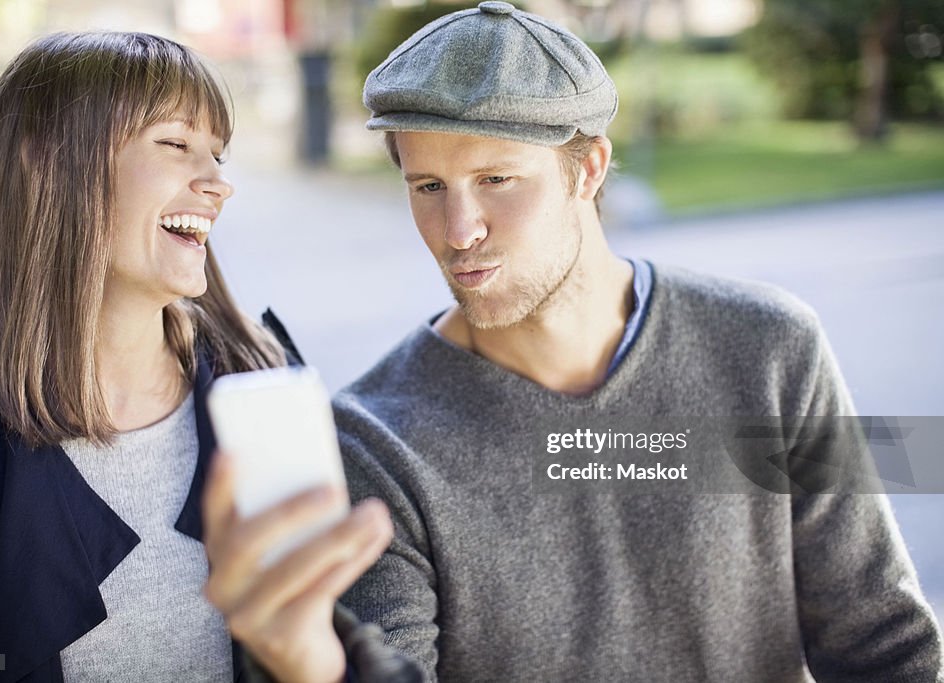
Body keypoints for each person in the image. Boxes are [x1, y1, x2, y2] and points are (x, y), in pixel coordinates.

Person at [331, 3, 944, 681]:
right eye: (428, 186)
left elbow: (884, 644)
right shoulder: (374, 442)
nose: (458, 229)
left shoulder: (771, 351)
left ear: (588, 167)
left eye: (495, 179)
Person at [0, 31, 409, 683]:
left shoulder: (266, 383)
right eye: (176, 144)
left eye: (218, 154)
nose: (218, 185)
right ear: (47, 162)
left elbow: (355, 652)